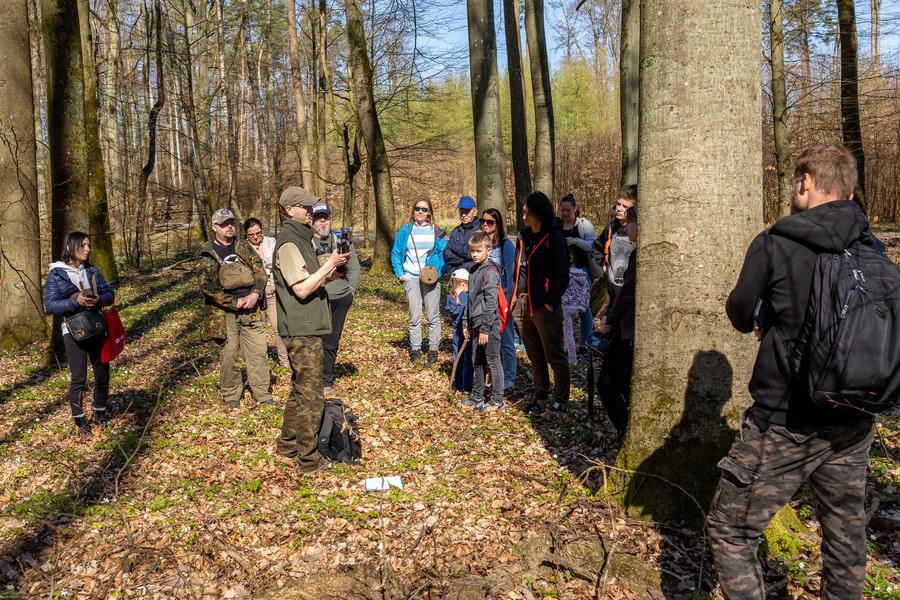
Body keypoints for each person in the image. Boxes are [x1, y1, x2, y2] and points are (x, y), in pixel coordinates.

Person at [707, 144, 879, 600]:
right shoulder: (872, 248)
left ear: (805, 183)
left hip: (787, 422)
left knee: (730, 528)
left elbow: (740, 312)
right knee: (845, 535)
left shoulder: (775, 243)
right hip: (855, 416)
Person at [273, 186, 350, 474]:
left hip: (305, 326)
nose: (310, 211)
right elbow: (302, 289)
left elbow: (311, 283)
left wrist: (333, 272)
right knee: (311, 394)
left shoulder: (302, 239)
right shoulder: (290, 243)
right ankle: (308, 458)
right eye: (304, 207)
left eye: (311, 207)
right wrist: (328, 263)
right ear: (289, 210)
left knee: (299, 389)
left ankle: (288, 444)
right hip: (301, 329)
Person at [197, 208, 273, 409]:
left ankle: (263, 394)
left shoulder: (243, 247)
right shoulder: (207, 253)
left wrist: (255, 294)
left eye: (231, 222)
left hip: (252, 310)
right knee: (229, 355)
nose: (229, 226)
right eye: (224, 224)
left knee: (257, 352)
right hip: (224, 314)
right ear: (215, 227)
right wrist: (233, 302)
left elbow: (260, 272)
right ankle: (232, 395)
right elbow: (206, 286)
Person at [45, 232, 115, 435]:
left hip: (96, 327)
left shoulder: (92, 270)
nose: (88, 249)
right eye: (83, 245)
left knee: (102, 374)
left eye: (89, 245)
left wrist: (98, 299)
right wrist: (76, 302)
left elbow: (110, 295)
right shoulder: (56, 274)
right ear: (71, 247)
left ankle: (100, 412)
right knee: (79, 377)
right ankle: (79, 419)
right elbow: (50, 305)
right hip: (72, 330)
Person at [511, 192, 570, 413]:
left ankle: (562, 401)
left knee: (554, 356)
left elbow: (562, 274)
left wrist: (550, 302)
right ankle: (540, 398)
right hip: (523, 304)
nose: (524, 216)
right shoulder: (524, 238)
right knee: (535, 357)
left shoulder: (554, 238)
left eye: (528, 213)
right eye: (524, 212)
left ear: (539, 214)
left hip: (545, 307)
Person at [597, 185, 638, 436]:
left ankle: (627, 432)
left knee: (610, 385)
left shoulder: (639, 253)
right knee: (622, 386)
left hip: (626, 327)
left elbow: (628, 291)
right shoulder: (614, 230)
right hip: (619, 321)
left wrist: (610, 319)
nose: (620, 213)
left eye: (625, 208)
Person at [310, 202, 361, 397]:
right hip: (316, 298)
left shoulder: (341, 241)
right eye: (318, 218)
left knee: (331, 341)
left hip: (340, 297)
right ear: (312, 221)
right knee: (314, 340)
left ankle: (326, 381)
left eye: (325, 217)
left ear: (331, 219)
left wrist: (351, 291)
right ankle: (310, 378)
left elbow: (354, 267)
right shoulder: (307, 243)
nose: (322, 221)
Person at [391, 197, 447, 366]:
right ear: (413, 211)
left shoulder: (437, 231)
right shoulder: (405, 230)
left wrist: (439, 272)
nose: (420, 212)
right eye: (418, 209)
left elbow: (444, 254)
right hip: (412, 277)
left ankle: (433, 350)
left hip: (431, 278)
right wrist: (401, 274)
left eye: (424, 209)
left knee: (433, 315)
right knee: (415, 316)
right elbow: (396, 253)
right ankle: (415, 349)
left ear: (429, 212)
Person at [463, 231, 505, 412]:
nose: (474, 254)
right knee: (477, 360)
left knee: (493, 360)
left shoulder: (490, 272)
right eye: (472, 251)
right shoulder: (472, 271)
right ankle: (477, 395)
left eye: (478, 251)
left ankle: (497, 400)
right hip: (476, 324)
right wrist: (467, 323)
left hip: (489, 325)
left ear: (488, 250)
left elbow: (491, 303)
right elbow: (470, 301)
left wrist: (485, 329)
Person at [243, 217, 289, 367]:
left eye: (258, 233)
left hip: (273, 292)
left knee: (279, 327)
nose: (256, 237)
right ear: (246, 234)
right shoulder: (242, 248)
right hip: (255, 295)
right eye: (251, 234)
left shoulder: (271, 243)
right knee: (258, 330)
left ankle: (284, 361)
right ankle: (260, 363)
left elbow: (279, 263)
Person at [481, 208, 516, 391]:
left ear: (498, 224)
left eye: (490, 222)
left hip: (502, 299)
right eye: (483, 221)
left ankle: (509, 378)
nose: (486, 224)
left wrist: (510, 301)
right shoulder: (481, 243)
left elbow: (510, 275)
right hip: (485, 299)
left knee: (506, 340)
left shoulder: (505, 246)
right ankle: (492, 376)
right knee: (488, 340)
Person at [558, 194, 597, 347]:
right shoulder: (558, 226)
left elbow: (593, 246)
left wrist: (576, 241)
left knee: (583, 307)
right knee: (564, 307)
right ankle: (566, 344)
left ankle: (585, 343)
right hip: (565, 272)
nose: (565, 214)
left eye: (568, 210)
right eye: (562, 211)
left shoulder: (583, 225)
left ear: (575, 209)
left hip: (582, 271)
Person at [445, 268, 473, 393]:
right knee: (468, 359)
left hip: (456, 332)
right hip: (466, 331)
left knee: (457, 357)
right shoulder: (466, 297)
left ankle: (458, 383)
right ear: (463, 283)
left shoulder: (450, 298)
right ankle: (467, 386)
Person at [443, 195, 479, 272]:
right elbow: (446, 254)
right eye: (461, 211)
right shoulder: (455, 231)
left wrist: (454, 247)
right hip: (456, 276)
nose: (463, 215)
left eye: (467, 211)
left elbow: (472, 252)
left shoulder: (480, 229)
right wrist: (464, 262)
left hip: (474, 274)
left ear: (475, 212)